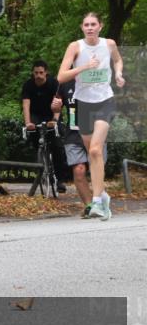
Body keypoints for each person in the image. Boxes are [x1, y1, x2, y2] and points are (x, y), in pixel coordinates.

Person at [56, 12, 125, 220]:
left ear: (100, 26)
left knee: (95, 150)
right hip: (83, 104)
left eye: (93, 24)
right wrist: (85, 66)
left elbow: (117, 61)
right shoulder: (75, 47)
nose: (90, 27)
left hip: (105, 101)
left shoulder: (109, 44)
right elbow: (61, 76)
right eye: (86, 24)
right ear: (82, 28)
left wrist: (119, 74)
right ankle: (102, 194)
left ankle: (96, 202)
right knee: (92, 155)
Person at [53, 79, 107, 219]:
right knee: (79, 171)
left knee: (96, 169)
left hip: (94, 134)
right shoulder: (65, 84)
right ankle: (90, 206)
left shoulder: (96, 80)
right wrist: (56, 108)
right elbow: (56, 107)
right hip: (73, 135)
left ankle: (99, 201)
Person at [21, 59, 67, 193]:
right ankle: (42, 164)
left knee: (57, 146)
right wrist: (28, 122)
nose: (38, 75)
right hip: (36, 115)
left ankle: (60, 180)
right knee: (35, 138)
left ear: (46, 72)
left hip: (52, 113)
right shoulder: (28, 85)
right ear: (33, 73)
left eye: (41, 72)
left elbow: (58, 103)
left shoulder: (53, 83)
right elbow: (26, 104)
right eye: (36, 73)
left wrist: (54, 120)